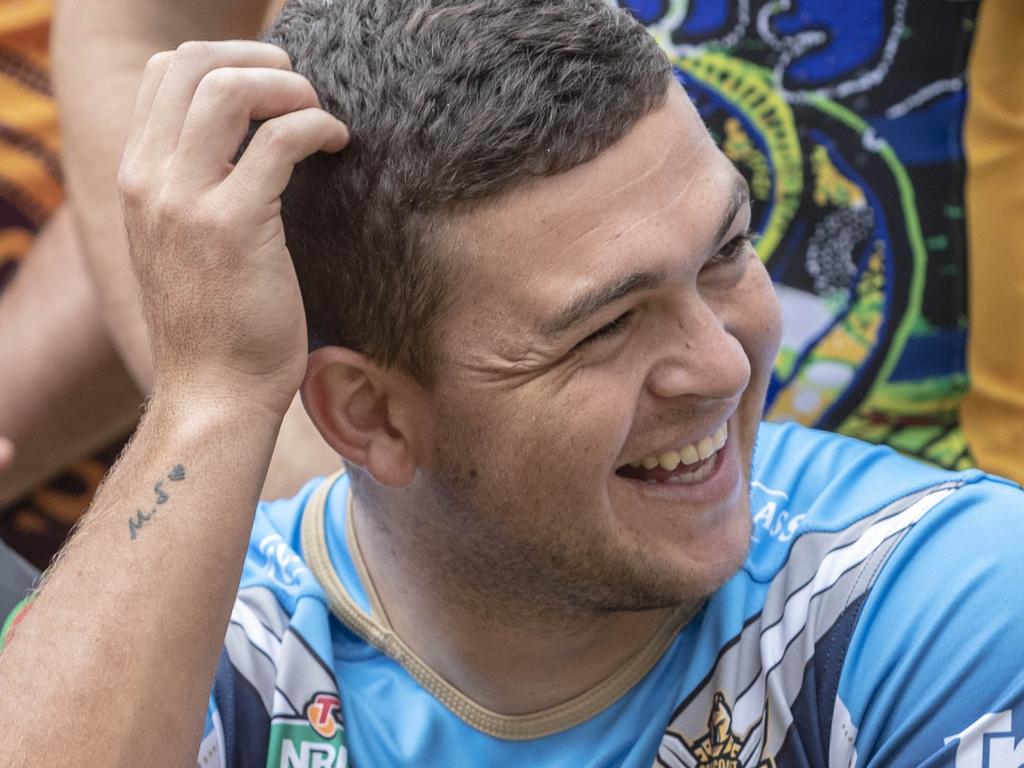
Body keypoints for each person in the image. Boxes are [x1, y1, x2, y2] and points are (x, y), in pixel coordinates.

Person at [1, 2, 1023, 766]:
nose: (721, 364)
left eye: (723, 253)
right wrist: (213, 395)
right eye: (606, 327)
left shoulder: (927, 595)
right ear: (369, 415)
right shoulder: (207, 637)